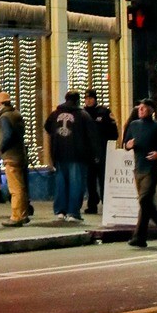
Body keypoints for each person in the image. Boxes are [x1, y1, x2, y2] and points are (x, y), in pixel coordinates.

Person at [123, 97, 157, 248]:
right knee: (145, 204)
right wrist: (128, 145)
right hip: (138, 167)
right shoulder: (133, 125)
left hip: (151, 168)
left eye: (143, 108)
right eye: (139, 108)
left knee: (144, 200)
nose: (140, 110)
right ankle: (140, 237)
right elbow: (125, 143)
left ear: (151, 111)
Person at [45, 90, 92, 222]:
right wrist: (95, 154)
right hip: (78, 155)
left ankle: (60, 210)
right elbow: (91, 136)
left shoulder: (55, 114)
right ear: (77, 100)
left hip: (59, 154)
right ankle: (73, 212)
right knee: (76, 184)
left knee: (61, 183)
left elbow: (47, 127)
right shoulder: (83, 115)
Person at [0, 92, 31, 226]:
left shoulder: (4, 116)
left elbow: (8, 135)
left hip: (11, 156)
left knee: (15, 188)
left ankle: (16, 216)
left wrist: (1, 149)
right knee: (21, 186)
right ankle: (24, 213)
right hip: (20, 154)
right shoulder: (16, 113)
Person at [82, 90, 117, 215]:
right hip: (88, 152)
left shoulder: (104, 112)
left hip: (102, 151)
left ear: (95, 99)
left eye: (91, 98)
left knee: (103, 179)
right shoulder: (82, 113)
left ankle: (106, 202)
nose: (89, 100)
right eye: (86, 98)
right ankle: (92, 204)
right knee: (90, 180)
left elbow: (114, 132)